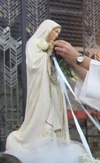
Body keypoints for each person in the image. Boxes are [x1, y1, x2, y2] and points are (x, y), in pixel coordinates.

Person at [6, 20, 69, 151]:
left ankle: (51, 143)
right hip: (40, 85)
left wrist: (53, 58)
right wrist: (47, 55)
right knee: (41, 109)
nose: (56, 35)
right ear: (47, 30)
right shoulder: (33, 42)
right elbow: (33, 65)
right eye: (55, 31)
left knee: (52, 111)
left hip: (51, 85)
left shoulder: (49, 46)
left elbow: (52, 67)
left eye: (58, 33)